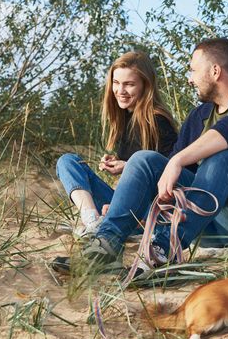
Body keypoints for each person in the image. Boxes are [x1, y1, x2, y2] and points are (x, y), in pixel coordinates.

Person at [81, 38, 228, 273]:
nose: (189, 78)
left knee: (222, 159)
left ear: (215, 71)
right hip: (211, 226)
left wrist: (177, 160)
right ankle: (104, 246)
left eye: (193, 70)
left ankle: (164, 249)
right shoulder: (198, 117)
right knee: (144, 159)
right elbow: (168, 174)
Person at [56, 51, 178, 241]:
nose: (120, 90)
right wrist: (119, 163)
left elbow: (169, 178)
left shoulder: (157, 121)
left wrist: (127, 167)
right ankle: (93, 221)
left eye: (129, 84)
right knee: (67, 162)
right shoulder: (124, 117)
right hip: (126, 204)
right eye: (116, 83)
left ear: (146, 86)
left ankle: (112, 224)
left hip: (150, 213)